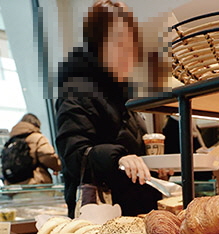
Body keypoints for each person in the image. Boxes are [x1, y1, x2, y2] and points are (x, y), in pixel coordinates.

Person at [55, 0, 160, 217]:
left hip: (136, 215)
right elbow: (74, 154)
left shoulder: (125, 97)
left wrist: (153, 166)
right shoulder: (76, 89)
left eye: (132, 45)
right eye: (119, 43)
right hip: (102, 219)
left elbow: (133, 154)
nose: (129, 54)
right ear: (96, 45)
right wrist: (118, 158)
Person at [2, 113, 61, 185]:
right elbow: (48, 157)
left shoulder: (11, 141)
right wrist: (59, 167)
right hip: (35, 184)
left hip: (13, 187)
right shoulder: (37, 137)